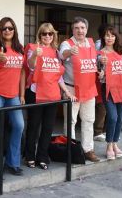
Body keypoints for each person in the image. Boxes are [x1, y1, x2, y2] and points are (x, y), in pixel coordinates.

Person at [24, 23, 75, 170]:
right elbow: (31, 66)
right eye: (44, 34)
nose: (47, 36)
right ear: (39, 35)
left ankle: (42, 156)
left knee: (47, 128)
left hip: (53, 95)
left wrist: (66, 91)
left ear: (53, 36)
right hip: (36, 94)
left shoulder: (56, 52)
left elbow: (58, 76)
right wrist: (35, 54)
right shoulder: (33, 48)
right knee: (33, 126)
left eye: (50, 34)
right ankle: (29, 156)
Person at [0, 17, 26, 178]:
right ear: (0, 31)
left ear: (14, 30)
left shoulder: (19, 48)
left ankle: (12, 163)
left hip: (13, 95)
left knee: (18, 125)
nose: (8, 31)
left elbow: (22, 72)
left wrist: (22, 94)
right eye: (4, 29)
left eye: (10, 28)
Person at [59, 17, 100, 162]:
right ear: (73, 30)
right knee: (70, 121)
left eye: (82, 28)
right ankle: (71, 150)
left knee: (89, 120)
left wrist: (101, 64)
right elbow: (62, 55)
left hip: (89, 88)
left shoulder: (91, 42)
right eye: (76, 28)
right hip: (72, 89)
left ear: (86, 29)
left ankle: (88, 149)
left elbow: (96, 60)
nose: (80, 31)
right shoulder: (66, 43)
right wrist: (70, 52)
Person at [98, 25, 122, 159]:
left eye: (112, 35)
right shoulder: (100, 54)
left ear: (115, 38)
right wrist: (101, 70)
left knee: (120, 119)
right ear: (103, 37)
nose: (110, 38)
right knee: (112, 117)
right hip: (108, 89)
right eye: (107, 35)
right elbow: (99, 76)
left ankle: (115, 144)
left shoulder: (121, 52)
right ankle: (109, 145)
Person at [93, 23, 108, 142]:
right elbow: (96, 60)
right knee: (100, 104)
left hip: (107, 79)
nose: (110, 37)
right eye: (108, 34)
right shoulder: (98, 44)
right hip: (98, 78)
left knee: (102, 105)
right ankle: (98, 131)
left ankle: (101, 130)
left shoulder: (114, 47)